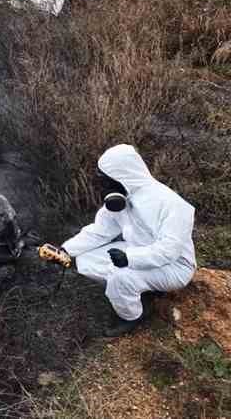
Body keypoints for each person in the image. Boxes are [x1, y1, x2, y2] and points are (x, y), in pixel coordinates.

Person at [49, 144, 196, 337]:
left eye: (106, 181)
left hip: (175, 266)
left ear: (123, 176)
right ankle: (141, 289)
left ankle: (133, 316)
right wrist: (66, 250)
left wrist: (129, 259)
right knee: (85, 261)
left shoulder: (172, 205)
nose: (103, 187)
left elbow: (169, 250)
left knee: (120, 277)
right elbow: (99, 232)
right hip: (135, 251)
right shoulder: (120, 199)